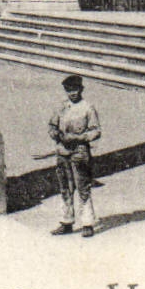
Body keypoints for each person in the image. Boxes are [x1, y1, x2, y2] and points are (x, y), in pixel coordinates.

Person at [48, 74, 102, 238]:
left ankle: (87, 223)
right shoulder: (61, 107)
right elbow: (52, 125)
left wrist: (80, 138)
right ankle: (66, 221)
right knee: (65, 187)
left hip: (80, 151)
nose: (72, 93)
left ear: (81, 89)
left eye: (75, 90)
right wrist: (55, 133)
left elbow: (96, 131)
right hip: (63, 151)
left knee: (83, 187)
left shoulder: (88, 107)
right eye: (69, 90)